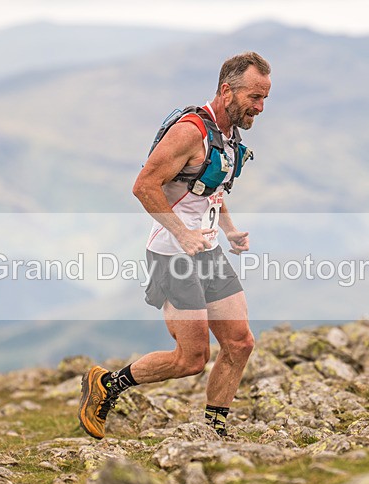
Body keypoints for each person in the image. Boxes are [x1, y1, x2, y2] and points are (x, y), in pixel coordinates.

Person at [78, 51, 271, 439]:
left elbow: (208, 188)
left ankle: (214, 431)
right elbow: (143, 186)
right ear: (226, 91)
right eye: (255, 97)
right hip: (172, 253)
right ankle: (107, 385)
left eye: (265, 98)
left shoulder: (229, 132)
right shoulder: (189, 132)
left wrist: (229, 229)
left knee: (240, 343)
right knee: (191, 358)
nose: (261, 108)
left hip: (206, 249)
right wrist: (183, 234)